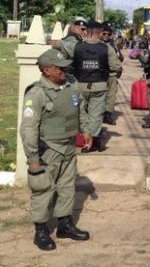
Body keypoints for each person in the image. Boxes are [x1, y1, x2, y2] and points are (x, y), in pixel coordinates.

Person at [20, 48, 90, 251]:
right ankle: (41, 230)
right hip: (48, 150)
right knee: (43, 190)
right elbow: (28, 128)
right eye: (59, 68)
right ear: (46, 70)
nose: (64, 71)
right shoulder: (37, 93)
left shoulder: (71, 86)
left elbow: (79, 109)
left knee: (67, 187)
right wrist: (33, 159)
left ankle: (64, 224)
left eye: (64, 67)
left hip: (68, 145)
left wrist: (85, 131)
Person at [73, 20, 121, 152]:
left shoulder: (77, 47)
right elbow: (115, 67)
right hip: (99, 86)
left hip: (80, 85)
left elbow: (70, 64)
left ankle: (84, 137)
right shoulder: (107, 48)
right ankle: (92, 141)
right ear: (100, 33)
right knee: (96, 114)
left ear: (87, 32)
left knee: (81, 113)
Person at [101, 22, 123, 125]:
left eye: (108, 34)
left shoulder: (113, 44)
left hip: (112, 74)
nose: (106, 36)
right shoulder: (97, 45)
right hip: (100, 74)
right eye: (104, 33)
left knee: (111, 95)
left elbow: (120, 57)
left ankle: (108, 115)